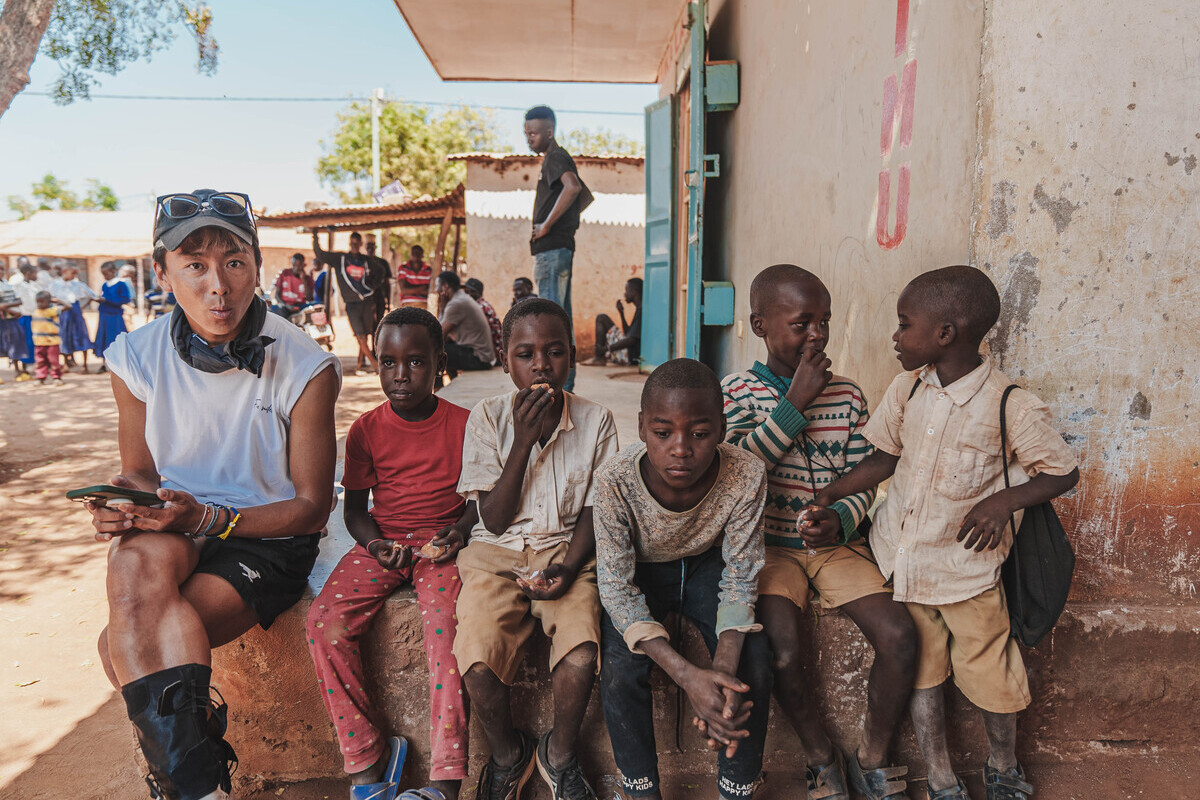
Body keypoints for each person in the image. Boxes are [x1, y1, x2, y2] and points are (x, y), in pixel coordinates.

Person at [86, 188, 341, 800]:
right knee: (132, 571)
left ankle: (183, 785)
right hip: (177, 523)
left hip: (268, 535)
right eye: (194, 264)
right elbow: (142, 474)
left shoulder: (305, 365)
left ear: (257, 264)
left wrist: (211, 517)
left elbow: (309, 507)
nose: (218, 286)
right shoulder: (136, 356)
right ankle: (201, 789)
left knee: (118, 644)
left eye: (233, 261)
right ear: (163, 270)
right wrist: (125, 502)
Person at [815, 266, 1080, 800]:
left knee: (992, 674)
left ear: (945, 333)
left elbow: (1062, 471)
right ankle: (941, 777)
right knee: (925, 674)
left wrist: (1002, 502)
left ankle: (1003, 767)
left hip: (968, 573)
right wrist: (833, 492)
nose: (895, 336)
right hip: (906, 563)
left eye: (904, 323)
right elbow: (886, 458)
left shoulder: (1008, 404)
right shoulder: (906, 388)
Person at [722, 264, 917, 800]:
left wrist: (844, 517)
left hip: (836, 549)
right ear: (761, 326)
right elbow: (734, 476)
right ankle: (819, 756)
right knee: (781, 651)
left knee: (900, 637)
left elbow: (866, 476)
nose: (817, 334)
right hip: (770, 551)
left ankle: (873, 758)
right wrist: (795, 404)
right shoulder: (734, 393)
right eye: (803, 322)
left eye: (825, 322)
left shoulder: (850, 394)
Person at [455, 298, 618, 800]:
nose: (541, 365)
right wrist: (523, 440)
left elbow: (596, 509)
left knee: (581, 653)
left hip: (566, 551)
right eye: (526, 354)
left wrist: (570, 568)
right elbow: (495, 518)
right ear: (505, 359)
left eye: (554, 352)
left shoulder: (598, 421)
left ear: (572, 356)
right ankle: (509, 756)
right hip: (494, 553)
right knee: (477, 664)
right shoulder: (487, 417)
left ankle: (560, 756)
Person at [307, 307, 474, 800]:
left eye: (416, 362)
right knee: (324, 624)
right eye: (388, 362)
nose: (400, 376)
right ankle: (367, 759)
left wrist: (457, 535)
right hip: (385, 541)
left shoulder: (466, 425)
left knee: (446, 635)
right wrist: (376, 545)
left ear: (439, 363)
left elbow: (479, 505)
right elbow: (356, 511)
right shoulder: (365, 429)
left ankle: (446, 779)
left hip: (442, 544)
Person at [594, 358, 772, 800]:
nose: (680, 448)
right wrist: (689, 676)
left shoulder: (746, 473)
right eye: (662, 432)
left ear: (722, 427)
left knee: (753, 663)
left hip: (706, 566)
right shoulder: (614, 481)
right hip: (641, 572)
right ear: (641, 428)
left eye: (699, 433)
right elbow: (616, 587)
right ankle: (640, 788)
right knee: (619, 668)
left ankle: (737, 785)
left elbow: (741, 573)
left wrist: (721, 673)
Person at [525, 105, 591, 393]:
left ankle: (553, 386)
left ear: (549, 132)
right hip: (559, 249)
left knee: (549, 323)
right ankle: (566, 385)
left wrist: (548, 225)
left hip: (552, 251)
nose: (529, 138)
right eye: (526, 133)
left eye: (534, 133)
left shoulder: (555, 157)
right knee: (562, 319)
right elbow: (583, 197)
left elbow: (574, 188)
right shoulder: (559, 157)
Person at [313, 230, 379, 374]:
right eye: (352, 243)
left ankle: (360, 365)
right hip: (351, 303)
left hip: (366, 301)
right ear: (350, 243)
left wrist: (371, 287)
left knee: (365, 335)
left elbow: (380, 272)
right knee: (359, 334)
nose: (355, 245)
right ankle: (374, 364)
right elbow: (321, 254)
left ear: (361, 244)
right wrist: (315, 235)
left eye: (357, 243)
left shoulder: (366, 261)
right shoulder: (340, 259)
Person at [435, 271, 494, 379]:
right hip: (482, 357)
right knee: (443, 346)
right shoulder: (460, 298)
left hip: (479, 359)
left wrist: (441, 308)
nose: (436, 290)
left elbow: (438, 334)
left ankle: (438, 387)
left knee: (434, 351)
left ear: (445, 286)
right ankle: (452, 381)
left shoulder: (456, 303)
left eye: (437, 286)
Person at [581, 277, 642, 367]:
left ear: (634, 291)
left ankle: (599, 357)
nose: (625, 294)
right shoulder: (639, 309)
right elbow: (628, 333)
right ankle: (599, 357)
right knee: (602, 318)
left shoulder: (642, 310)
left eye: (627, 290)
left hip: (630, 356)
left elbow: (631, 340)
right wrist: (621, 313)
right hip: (628, 352)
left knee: (601, 318)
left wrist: (606, 349)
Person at [51, 264, 96, 372]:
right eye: (73, 273)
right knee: (64, 336)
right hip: (63, 312)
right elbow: (51, 297)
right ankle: (66, 363)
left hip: (75, 312)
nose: (75, 275)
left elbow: (92, 296)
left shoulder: (79, 285)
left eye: (76, 273)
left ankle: (85, 365)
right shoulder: (55, 284)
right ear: (64, 272)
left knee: (81, 335)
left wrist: (82, 306)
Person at [93, 263, 133, 372]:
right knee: (104, 337)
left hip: (115, 316)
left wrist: (107, 300)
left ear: (113, 271)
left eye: (106, 273)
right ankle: (104, 363)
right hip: (104, 315)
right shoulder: (105, 285)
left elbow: (125, 299)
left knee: (115, 338)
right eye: (103, 274)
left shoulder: (121, 284)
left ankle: (118, 364)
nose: (105, 276)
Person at [1, 262, 33, 381]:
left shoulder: (9, 286)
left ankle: (19, 371)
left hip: (11, 320)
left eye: (2, 269)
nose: (0, 272)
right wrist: (10, 310)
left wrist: (5, 307)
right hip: (7, 318)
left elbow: (19, 301)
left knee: (16, 344)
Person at [31, 290, 67, 384]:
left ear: (49, 301)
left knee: (53, 360)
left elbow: (68, 307)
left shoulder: (52, 310)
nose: (39, 304)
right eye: (37, 302)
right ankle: (40, 378)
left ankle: (56, 377)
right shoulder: (35, 311)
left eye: (42, 301)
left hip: (52, 341)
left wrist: (58, 301)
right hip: (39, 342)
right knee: (40, 361)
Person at [463, 277, 503, 360]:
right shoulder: (481, 304)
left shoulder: (479, 307)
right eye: (465, 292)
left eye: (470, 292)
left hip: (491, 352)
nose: (467, 295)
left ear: (478, 293)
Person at [364, 234, 393, 336]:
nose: (370, 249)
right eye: (368, 246)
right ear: (365, 247)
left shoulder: (382, 263)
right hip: (366, 300)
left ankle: (376, 350)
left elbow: (387, 283)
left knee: (379, 326)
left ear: (375, 247)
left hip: (380, 298)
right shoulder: (362, 262)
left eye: (372, 246)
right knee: (368, 327)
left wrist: (388, 302)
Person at [272, 254, 311, 318]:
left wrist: (304, 280)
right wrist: (286, 305)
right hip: (285, 305)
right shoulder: (284, 274)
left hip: (300, 306)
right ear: (292, 264)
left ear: (303, 265)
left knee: (316, 306)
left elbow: (310, 298)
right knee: (277, 311)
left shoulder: (307, 279)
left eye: (299, 265)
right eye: (294, 265)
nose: (296, 268)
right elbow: (276, 295)